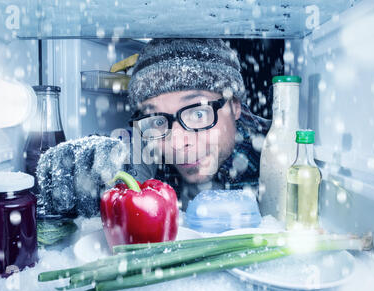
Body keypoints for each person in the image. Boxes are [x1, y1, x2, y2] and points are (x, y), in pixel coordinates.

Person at [36, 38, 271, 218]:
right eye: (158, 120)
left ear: (235, 106)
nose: (177, 143)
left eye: (198, 113)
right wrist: (96, 166)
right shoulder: (149, 139)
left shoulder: (279, 147)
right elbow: (129, 162)